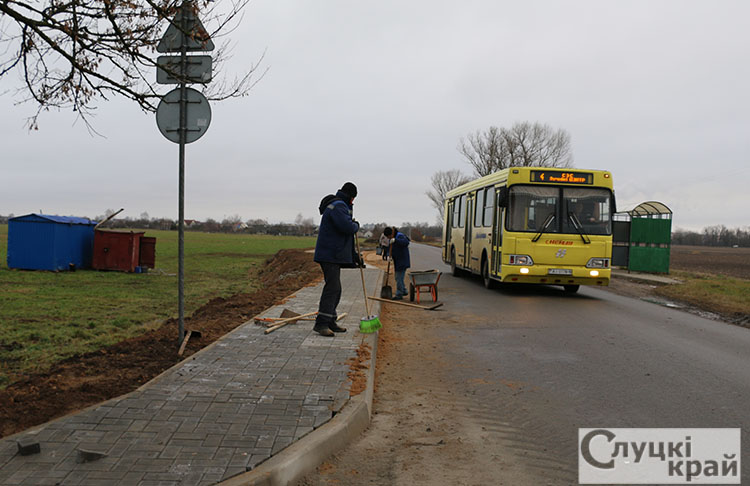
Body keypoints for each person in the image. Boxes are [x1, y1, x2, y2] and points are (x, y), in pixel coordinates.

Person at [312, 182, 360, 337]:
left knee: (336, 288)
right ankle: (321, 324)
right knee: (332, 288)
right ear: (350, 196)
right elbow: (346, 227)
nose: (353, 202)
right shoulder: (339, 206)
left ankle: (331, 320)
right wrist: (356, 225)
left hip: (331, 254)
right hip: (329, 255)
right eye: (353, 198)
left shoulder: (337, 205)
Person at [384, 226, 410, 300]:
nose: (388, 238)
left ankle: (399, 294)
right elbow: (390, 248)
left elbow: (406, 242)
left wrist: (396, 240)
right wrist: (389, 256)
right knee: (398, 277)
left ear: (390, 234)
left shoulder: (399, 236)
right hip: (397, 261)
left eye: (388, 237)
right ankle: (404, 290)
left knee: (398, 278)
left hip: (403, 260)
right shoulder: (391, 239)